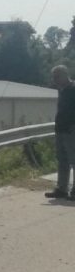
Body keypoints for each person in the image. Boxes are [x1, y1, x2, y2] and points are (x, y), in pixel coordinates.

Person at [46, 65, 75, 199]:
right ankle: (62, 188)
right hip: (61, 129)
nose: (55, 80)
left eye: (57, 76)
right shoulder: (61, 90)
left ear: (65, 75)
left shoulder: (73, 89)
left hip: (71, 129)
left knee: (73, 160)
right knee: (62, 160)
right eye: (54, 77)